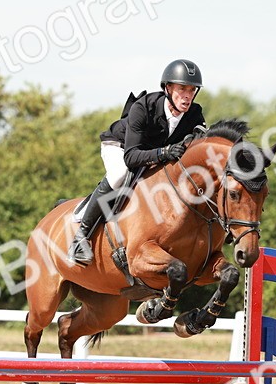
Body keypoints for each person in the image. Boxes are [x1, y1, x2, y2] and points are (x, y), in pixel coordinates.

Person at [68, 59, 208, 265]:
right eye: (182, 89)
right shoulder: (144, 108)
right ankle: (81, 238)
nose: (187, 96)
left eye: (192, 90)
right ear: (168, 88)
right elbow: (132, 157)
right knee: (119, 175)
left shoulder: (195, 113)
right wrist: (164, 152)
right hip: (121, 146)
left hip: (155, 152)